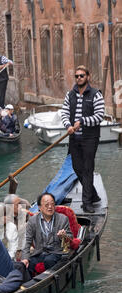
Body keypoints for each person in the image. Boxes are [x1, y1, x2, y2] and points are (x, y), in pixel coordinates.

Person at [61, 65, 105, 213]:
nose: (79, 78)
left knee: (87, 169)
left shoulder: (96, 94)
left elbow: (99, 116)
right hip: (74, 138)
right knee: (76, 168)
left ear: (88, 77)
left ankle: (87, 203)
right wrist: (68, 125)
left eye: (82, 75)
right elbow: (65, 112)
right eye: (77, 76)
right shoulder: (70, 95)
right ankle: (93, 195)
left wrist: (82, 121)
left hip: (90, 138)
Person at [21, 192, 72, 275]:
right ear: (40, 207)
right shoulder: (32, 221)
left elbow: (70, 238)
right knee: (28, 265)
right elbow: (27, 241)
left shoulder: (63, 219)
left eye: (52, 204)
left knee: (49, 260)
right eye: (46, 205)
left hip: (56, 252)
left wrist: (63, 236)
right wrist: (25, 258)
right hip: (39, 253)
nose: (50, 207)